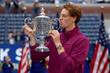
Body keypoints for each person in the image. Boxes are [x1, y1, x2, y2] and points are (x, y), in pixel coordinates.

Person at [24, 3, 89, 73]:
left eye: (64, 16)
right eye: (61, 15)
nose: (60, 18)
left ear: (74, 18)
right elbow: (36, 57)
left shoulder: (82, 40)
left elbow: (70, 67)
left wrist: (58, 43)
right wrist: (32, 37)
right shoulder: (56, 37)